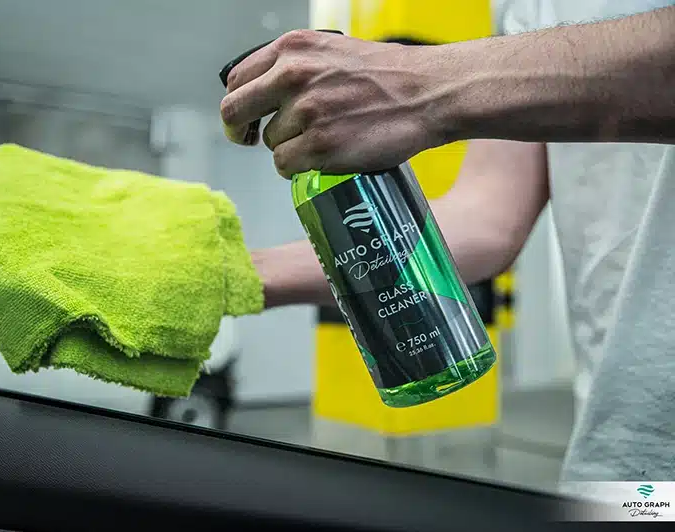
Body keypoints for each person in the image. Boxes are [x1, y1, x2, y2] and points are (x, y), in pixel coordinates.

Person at [220, 1, 675, 490]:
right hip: (622, 451)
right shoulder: (530, 8)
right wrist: (227, 272)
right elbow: (485, 218)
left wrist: (422, 85)